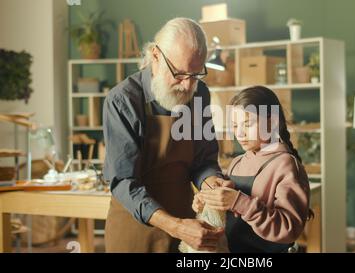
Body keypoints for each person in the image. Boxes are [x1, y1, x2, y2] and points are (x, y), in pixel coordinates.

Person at [103, 17, 226, 252]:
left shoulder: (199, 95)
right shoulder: (123, 101)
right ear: (155, 56)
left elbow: (203, 161)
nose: (187, 86)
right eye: (179, 74)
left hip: (187, 226)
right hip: (135, 229)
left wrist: (213, 184)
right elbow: (123, 183)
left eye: (196, 74)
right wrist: (176, 226)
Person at [193, 86, 312, 253]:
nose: (239, 133)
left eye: (247, 124)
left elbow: (289, 229)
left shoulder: (286, 165)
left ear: (272, 122)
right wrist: (208, 201)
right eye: (234, 126)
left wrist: (239, 202)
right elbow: (225, 213)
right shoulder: (236, 162)